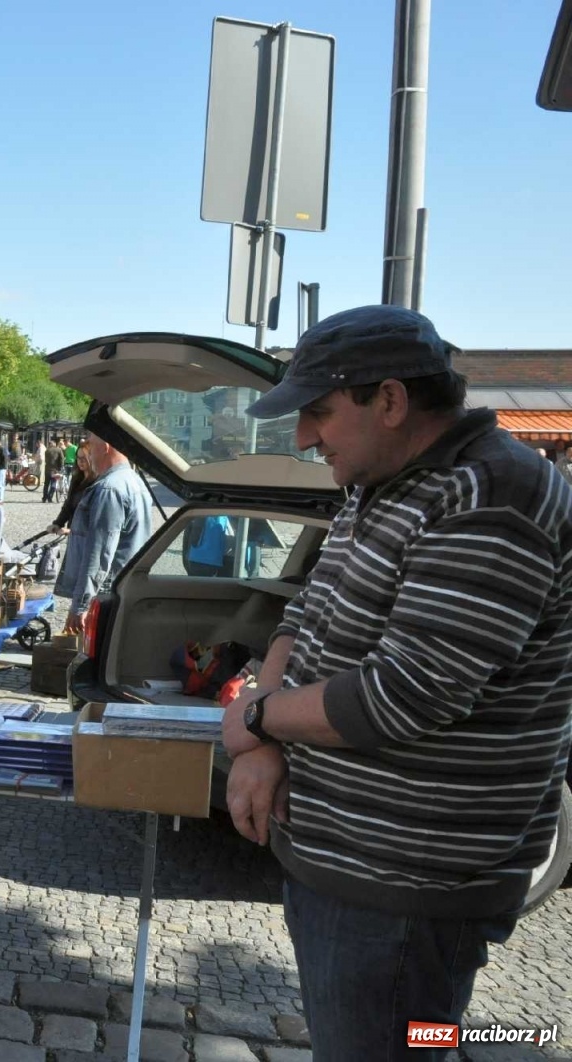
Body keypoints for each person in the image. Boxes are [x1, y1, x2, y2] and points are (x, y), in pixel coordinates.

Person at [219, 306, 572, 1060]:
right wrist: (261, 739)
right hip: (349, 867)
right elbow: (305, 613)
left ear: (389, 400)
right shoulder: (384, 481)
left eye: (318, 412)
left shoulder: (489, 493)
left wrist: (258, 720)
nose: (305, 437)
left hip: (405, 891)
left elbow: (403, 692)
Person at [53, 432, 152, 634]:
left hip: (106, 594)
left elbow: (99, 553)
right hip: (123, 589)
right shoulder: (133, 481)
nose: (89, 454)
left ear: (105, 447)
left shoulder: (109, 489)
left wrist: (81, 605)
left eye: (91, 444)